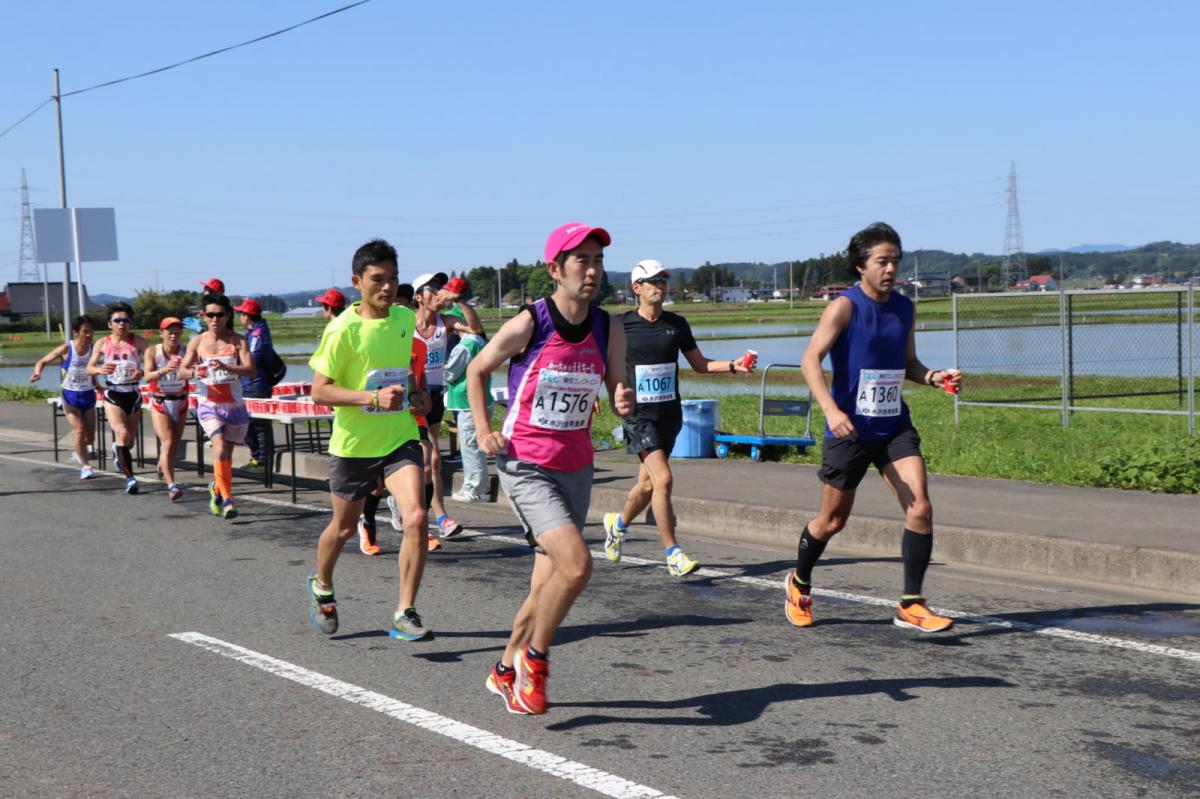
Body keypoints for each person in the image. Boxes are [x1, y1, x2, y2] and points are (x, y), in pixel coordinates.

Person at [468, 222, 633, 715]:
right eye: (582, 260)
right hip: (526, 463)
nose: (592, 270)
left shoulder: (610, 326)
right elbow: (478, 371)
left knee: (545, 584)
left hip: (576, 466)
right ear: (555, 269)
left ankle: (502, 670)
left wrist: (620, 396)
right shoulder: (530, 323)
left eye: (598, 261)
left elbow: (616, 384)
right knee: (578, 564)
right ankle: (533, 666)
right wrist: (482, 430)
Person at [787, 222, 962, 633]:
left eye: (895, 262)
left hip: (893, 427)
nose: (890, 269)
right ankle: (799, 582)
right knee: (832, 521)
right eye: (882, 261)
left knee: (920, 506)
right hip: (849, 430)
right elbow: (810, 360)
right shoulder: (844, 307)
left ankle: (911, 604)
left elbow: (909, 363)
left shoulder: (904, 307)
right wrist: (831, 410)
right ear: (860, 265)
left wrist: (933, 376)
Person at [306, 239, 434, 642]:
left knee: (415, 516)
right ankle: (322, 585)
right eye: (377, 280)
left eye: (393, 278)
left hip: (398, 436)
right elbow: (319, 391)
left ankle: (405, 611)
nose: (387, 287)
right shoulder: (341, 329)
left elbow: (403, 370)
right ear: (356, 281)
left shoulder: (402, 318)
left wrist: (418, 393)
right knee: (342, 530)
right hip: (354, 445)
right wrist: (370, 398)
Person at [602, 259, 756, 577]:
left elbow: (699, 364)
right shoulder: (619, 325)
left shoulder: (677, 324)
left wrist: (733, 365)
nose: (660, 286)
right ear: (637, 288)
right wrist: (602, 394)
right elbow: (603, 364)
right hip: (638, 417)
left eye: (663, 280)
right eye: (653, 280)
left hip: (669, 414)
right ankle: (673, 553)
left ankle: (616, 525)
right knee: (664, 479)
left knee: (647, 485)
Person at [412, 271, 485, 539]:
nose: (438, 292)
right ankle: (428, 515)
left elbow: (476, 330)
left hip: (434, 396)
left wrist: (461, 300)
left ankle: (439, 516)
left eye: (439, 287)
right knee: (426, 457)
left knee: (434, 460)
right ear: (418, 297)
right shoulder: (406, 325)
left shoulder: (446, 322)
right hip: (411, 396)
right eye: (431, 289)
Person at [179, 293, 255, 520]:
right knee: (220, 448)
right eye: (209, 314)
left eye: (219, 315)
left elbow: (252, 370)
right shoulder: (198, 341)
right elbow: (182, 370)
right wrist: (194, 372)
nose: (214, 319)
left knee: (227, 457)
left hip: (234, 406)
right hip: (208, 404)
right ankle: (229, 502)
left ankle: (217, 489)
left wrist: (229, 368)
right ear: (203, 316)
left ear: (227, 316)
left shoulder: (238, 340)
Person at [86, 303, 147, 494]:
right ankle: (130, 479)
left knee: (130, 440)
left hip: (133, 394)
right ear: (110, 323)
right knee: (122, 433)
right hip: (113, 394)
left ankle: (118, 449)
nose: (122, 324)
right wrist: (99, 370)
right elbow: (89, 368)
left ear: (130, 323)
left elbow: (153, 364)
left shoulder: (138, 342)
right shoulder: (102, 343)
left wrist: (142, 372)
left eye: (126, 320)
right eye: (117, 320)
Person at [30, 315, 98, 479]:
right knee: (79, 430)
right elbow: (43, 361)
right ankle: (85, 466)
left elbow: (92, 369)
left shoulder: (93, 349)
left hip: (88, 394)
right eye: (85, 331)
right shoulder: (67, 348)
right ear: (76, 332)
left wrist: (98, 384)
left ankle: (81, 451)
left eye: (91, 331)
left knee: (90, 436)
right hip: (70, 395)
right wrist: (38, 373)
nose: (89, 335)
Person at [443, 282, 492, 503]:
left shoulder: (466, 345)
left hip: (466, 402)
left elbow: (450, 374)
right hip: (480, 400)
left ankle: (474, 489)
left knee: (471, 447)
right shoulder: (481, 341)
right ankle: (477, 486)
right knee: (476, 445)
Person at [144, 317, 191, 501]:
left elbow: (194, 370)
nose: (173, 336)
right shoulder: (152, 352)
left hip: (180, 401)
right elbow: (147, 377)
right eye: (170, 332)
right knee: (169, 440)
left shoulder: (185, 351)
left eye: (177, 332)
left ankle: (163, 465)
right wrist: (164, 370)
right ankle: (172, 485)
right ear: (162, 333)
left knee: (173, 445)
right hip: (160, 401)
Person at [235, 298, 278, 472]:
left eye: (241, 313)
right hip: (248, 385)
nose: (239, 317)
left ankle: (263, 460)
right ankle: (257, 456)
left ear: (248, 316)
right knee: (247, 424)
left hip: (256, 385)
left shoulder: (258, 335)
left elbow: (256, 359)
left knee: (259, 425)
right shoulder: (252, 333)